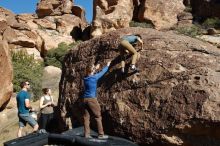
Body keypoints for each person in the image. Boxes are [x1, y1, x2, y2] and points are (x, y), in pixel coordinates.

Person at [81, 61, 111, 139]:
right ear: (92, 71)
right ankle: (101, 134)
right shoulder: (94, 77)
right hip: (92, 99)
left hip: (85, 99)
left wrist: (95, 68)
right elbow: (102, 72)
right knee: (98, 116)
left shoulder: (85, 78)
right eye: (93, 69)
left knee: (86, 117)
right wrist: (107, 65)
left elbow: (91, 72)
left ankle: (86, 134)